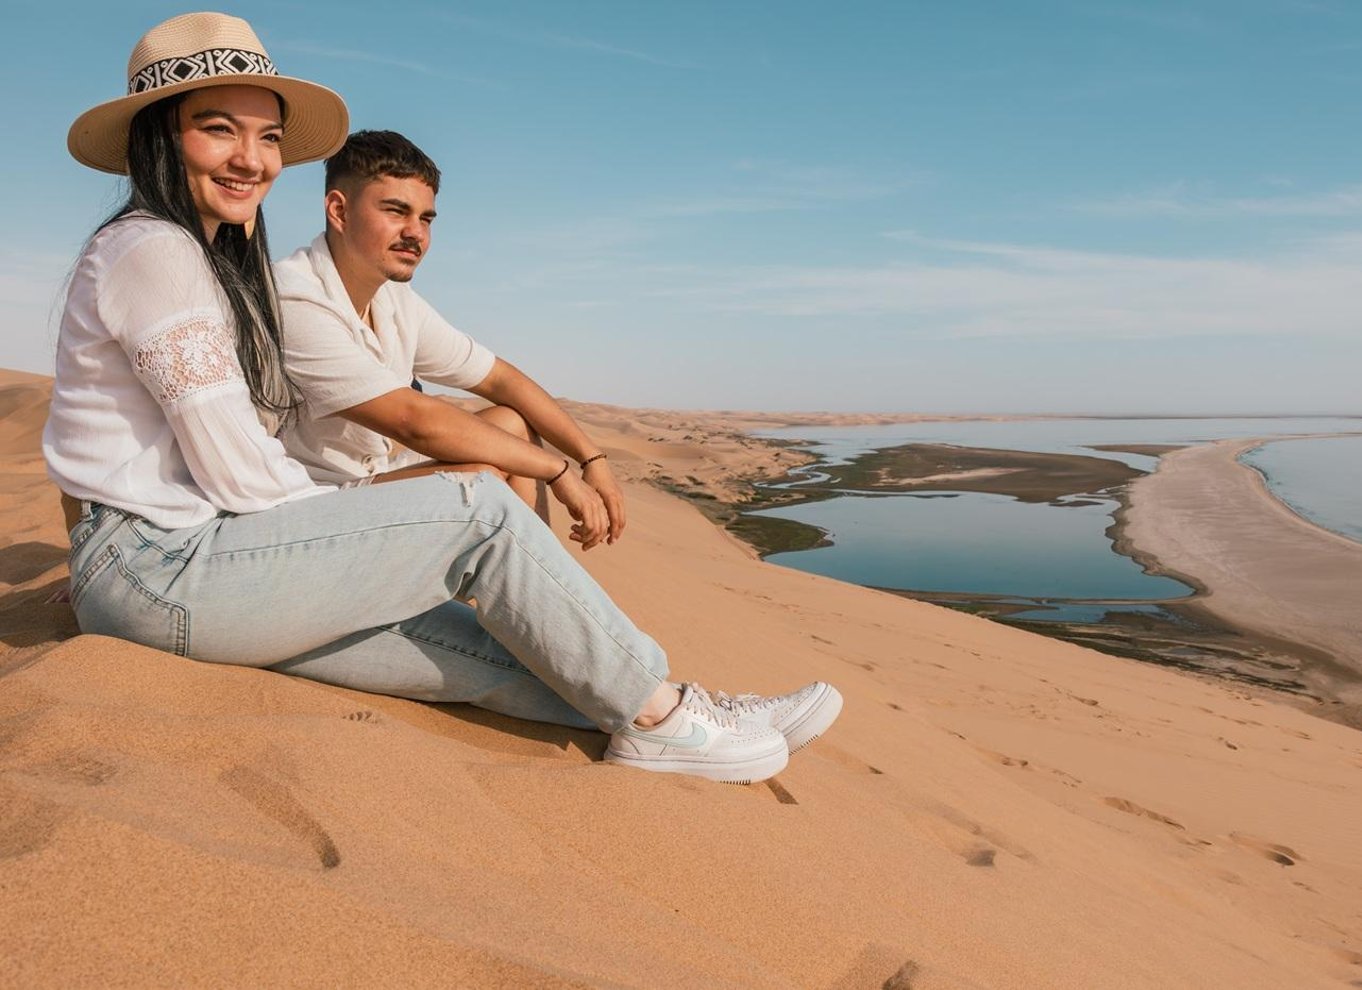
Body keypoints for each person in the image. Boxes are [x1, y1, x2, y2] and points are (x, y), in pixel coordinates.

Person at [44, 12, 841, 785]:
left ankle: (681, 715)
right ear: (159, 135)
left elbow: (487, 383)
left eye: (268, 137)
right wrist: (354, 527)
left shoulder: (205, 260)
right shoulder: (156, 250)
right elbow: (240, 478)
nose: (251, 159)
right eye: (218, 129)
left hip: (175, 577)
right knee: (474, 508)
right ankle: (670, 721)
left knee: (472, 652)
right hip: (163, 571)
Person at [274, 129, 622, 546]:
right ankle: (523, 589)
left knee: (512, 424)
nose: (415, 233)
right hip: (310, 502)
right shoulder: (292, 295)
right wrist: (557, 469)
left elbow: (499, 380)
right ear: (338, 211)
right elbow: (413, 421)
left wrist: (591, 458)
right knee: (481, 481)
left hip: (377, 475)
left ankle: (532, 579)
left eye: (425, 218)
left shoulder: (394, 299)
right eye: (396, 211)